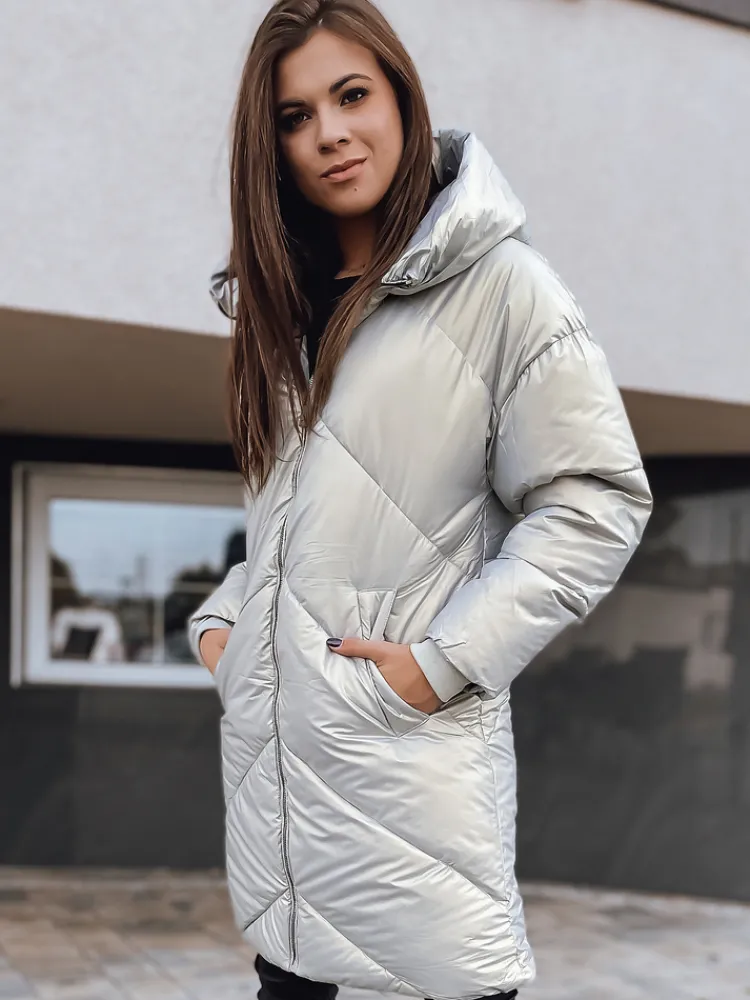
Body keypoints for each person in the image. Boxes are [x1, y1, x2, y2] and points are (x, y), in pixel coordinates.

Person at [189, 1, 653, 998]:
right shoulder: (280, 312)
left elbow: (595, 501)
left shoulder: (506, 287)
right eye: (295, 116)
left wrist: (441, 664)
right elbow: (296, 529)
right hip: (281, 829)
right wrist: (229, 625)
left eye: (352, 94)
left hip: (413, 796)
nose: (330, 133)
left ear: (402, 97)